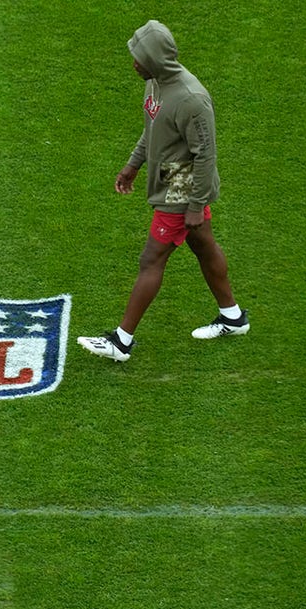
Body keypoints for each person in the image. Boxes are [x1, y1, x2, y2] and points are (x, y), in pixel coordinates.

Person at [78, 20, 247, 362]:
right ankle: (233, 317)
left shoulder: (191, 99)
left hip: (182, 188)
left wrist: (196, 205)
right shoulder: (155, 82)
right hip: (172, 181)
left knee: (151, 259)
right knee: (203, 244)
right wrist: (133, 164)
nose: (134, 63)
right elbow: (153, 129)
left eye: (139, 57)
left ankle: (121, 341)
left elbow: (206, 155)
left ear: (155, 58)